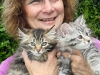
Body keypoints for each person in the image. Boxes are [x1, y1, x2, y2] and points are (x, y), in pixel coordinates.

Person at [0, 0, 100, 75]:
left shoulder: (95, 47)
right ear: (19, 11)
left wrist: (89, 72)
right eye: (36, 0)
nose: (49, 9)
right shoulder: (5, 69)